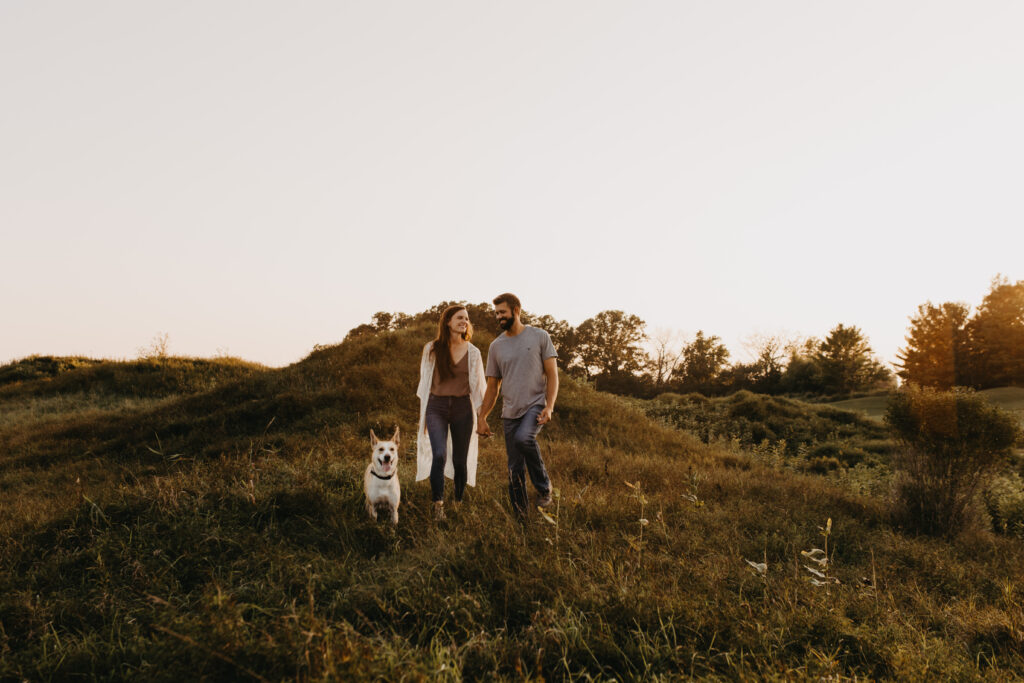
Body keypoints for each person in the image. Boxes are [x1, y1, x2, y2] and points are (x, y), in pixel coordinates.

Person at [477, 293, 558, 516]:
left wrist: (549, 406)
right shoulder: (496, 346)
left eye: (502, 312)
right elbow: (493, 386)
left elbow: (552, 375)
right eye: (496, 313)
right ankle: (521, 517)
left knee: (525, 438)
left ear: (516, 310)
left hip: (535, 405)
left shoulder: (540, 336)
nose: (499, 317)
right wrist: (482, 417)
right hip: (509, 412)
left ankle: (543, 488)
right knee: (514, 469)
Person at [415, 304, 487, 520]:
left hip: (462, 409)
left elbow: (479, 389)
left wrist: (482, 418)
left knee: (459, 460)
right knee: (439, 455)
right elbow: (425, 383)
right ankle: (438, 506)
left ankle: (457, 503)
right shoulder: (432, 348)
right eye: (459, 318)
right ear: (447, 322)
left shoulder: (473, 353)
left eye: (466, 318)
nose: (464, 321)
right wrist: (425, 416)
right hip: (436, 407)